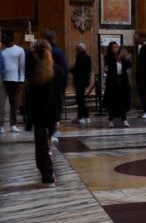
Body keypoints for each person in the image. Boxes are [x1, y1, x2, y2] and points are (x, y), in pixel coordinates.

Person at [25, 40, 63, 187]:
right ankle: (48, 175)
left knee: (41, 148)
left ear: (36, 53)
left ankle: (48, 177)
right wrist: (58, 115)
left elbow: (32, 99)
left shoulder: (36, 72)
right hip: (52, 115)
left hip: (40, 115)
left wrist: (29, 120)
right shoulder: (57, 70)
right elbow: (60, 94)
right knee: (46, 147)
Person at [103, 42, 132, 128]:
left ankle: (124, 120)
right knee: (111, 102)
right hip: (112, 83)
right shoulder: (108, 57)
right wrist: (117, 58)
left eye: (116, 47)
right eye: (113, 47)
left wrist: (126, 58)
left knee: (122, 102)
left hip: (122, 82)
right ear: (110, 49)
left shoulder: (122, 57)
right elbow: (109, 67)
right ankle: (111, 121)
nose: (115, 49)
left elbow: (128, 65)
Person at [2, 32, 25, 133]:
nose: (2, 39)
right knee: (1, 104)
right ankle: (1, 125)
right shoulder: (1, 51)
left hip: (15, 80)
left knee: (14, 104)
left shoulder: (19, 50)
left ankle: (13, 124)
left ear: (10, 38)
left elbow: (22, 66)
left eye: (4, 37)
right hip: (3, 81)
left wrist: (21, 80)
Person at [69, 43, 92, 124]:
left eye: (77, 49)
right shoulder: (86, 57)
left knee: (80, 100)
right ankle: (81, 116)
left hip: (80, 82)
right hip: (82, 81)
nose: (76, 51)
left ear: (80, 49)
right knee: (80, 100)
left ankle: (84, 116)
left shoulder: (82, 58)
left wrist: (70, 70)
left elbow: (78, 70)